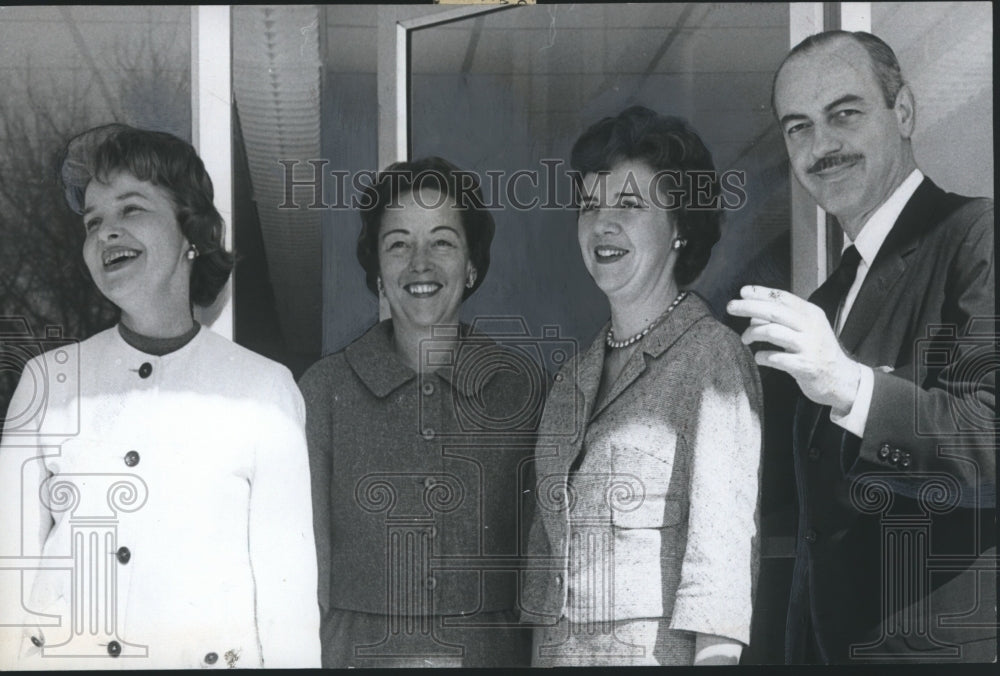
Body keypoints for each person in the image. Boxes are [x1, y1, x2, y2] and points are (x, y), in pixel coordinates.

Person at [0, 124, 320, 669]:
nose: (107, 233)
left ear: (190, 231)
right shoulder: (47, 383)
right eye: (93, 221)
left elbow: (287, 609)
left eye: (131, 209)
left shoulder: (264, 392)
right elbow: (9, 580)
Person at [728, 31, 996, 664]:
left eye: (844, 113)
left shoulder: (975, 235)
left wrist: (850, 386)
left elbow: (991, 438)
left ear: (902, 112)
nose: (821, 145)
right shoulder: (826, 301)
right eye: (798, 127)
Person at [523, 106, 763, 666]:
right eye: (590, 206)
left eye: (629, 206)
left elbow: (721, 570)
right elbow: (544, 575)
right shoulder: (571, 380)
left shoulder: (712, 360)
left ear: (679, 226)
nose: (602, 224)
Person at [299, 157, 536, 668]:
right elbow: (305, 575)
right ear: (379, 274)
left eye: (443, 242)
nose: (420, 263)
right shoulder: (324, 392)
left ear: (471, 266)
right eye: (399, 243)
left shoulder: (520, 391)